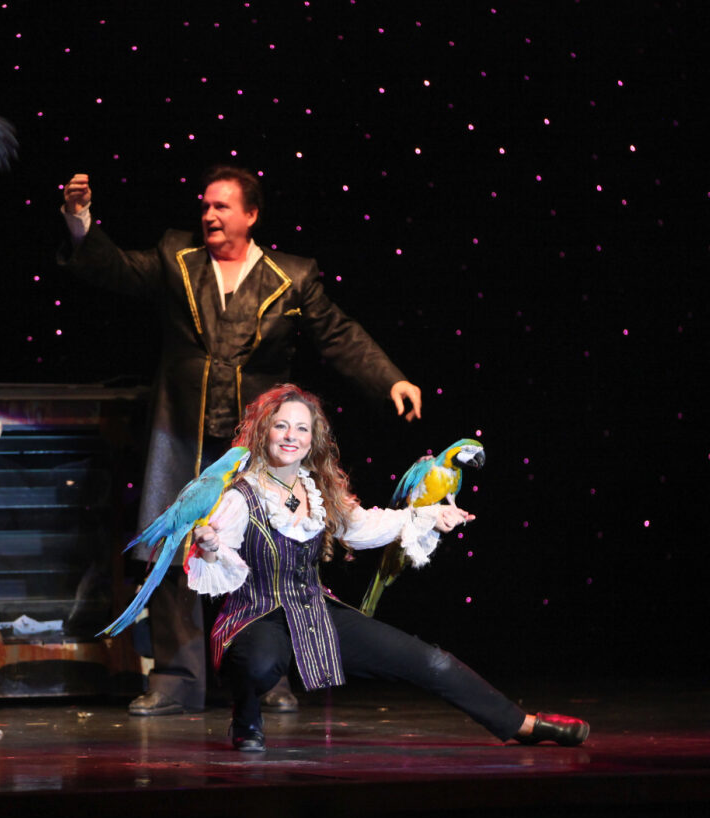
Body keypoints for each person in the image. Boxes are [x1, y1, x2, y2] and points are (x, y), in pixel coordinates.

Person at [59, 167, 422, 716]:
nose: (209, 215)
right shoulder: (177, 257)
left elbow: (338, 333)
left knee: (267, 551)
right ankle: (176, 681)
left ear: (251, 215)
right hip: (182, 431)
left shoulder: (291, 275)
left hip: (257, 441)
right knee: (175, 548)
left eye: (222, 207)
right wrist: (79, 219)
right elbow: (114, 268)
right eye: (205, 206)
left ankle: (266, 676)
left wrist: (389, 379)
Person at [190, 384, 591, 752]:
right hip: (256, 613)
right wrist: (209, 546)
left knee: (430, 660)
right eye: (281, 426)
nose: (291, 435)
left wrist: (428, 516)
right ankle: (246, 720)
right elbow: (215, 557)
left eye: (301, 428)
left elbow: (364, 526)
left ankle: (521, 723)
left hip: (313, 611)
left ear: (313, 439)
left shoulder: (319, 490)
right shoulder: (242, 494)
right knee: (258, 665)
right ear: (264, 432)